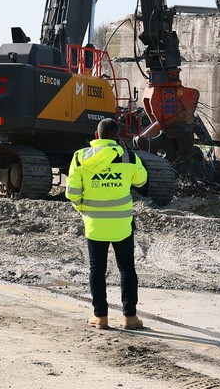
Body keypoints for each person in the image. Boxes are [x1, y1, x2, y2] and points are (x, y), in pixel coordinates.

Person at [66, 118, 148, 331]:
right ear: (118, 136)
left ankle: (100, 317)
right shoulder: (128, 156)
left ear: (96, 135)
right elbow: (141, 181)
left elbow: (72, 193)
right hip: (122, 224)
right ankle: (130, 317)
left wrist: (82, 208)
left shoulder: (79, 157)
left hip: (95, 224)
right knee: (127, 269)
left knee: (97, 269)